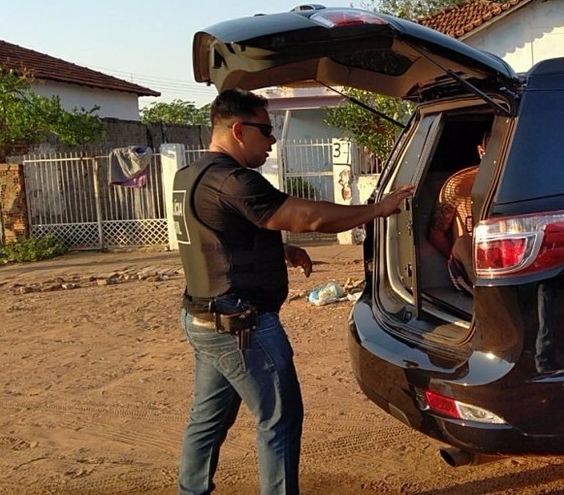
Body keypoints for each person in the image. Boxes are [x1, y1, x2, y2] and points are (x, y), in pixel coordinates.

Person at [172, 88, 413, 495]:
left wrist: (278, 249)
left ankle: (191, 490)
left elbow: (215, 234)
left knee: (208, 419)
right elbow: (308, 216)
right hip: (241, 326)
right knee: (279, 420)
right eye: (265, 130)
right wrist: (375, 209)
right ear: (238, 129)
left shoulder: (192, 176)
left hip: (205, 317)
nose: (272, 140)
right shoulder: (234, 180)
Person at [427, 136, 485, 294]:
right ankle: (485, 293)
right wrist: (461, 260)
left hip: (509, 257)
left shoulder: (522, 181)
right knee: (464, 242)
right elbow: (436, 235)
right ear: (481, 151)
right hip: (470, 263)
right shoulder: (458, 185)